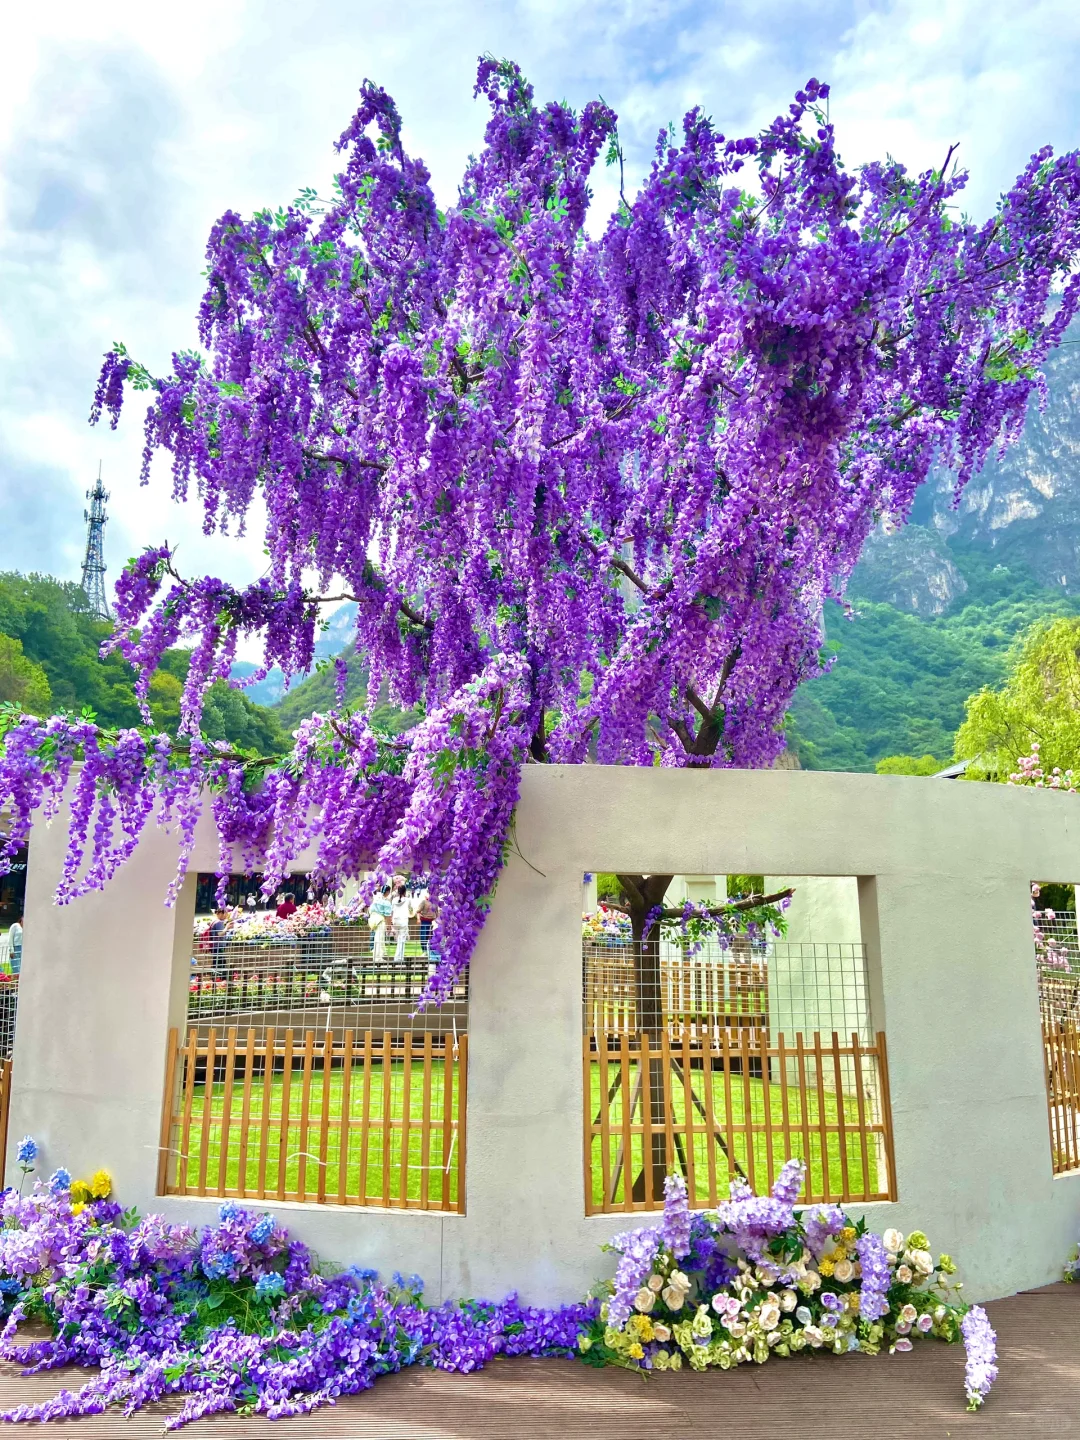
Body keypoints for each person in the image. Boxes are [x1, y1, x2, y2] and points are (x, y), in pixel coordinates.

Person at [391, 884, 415, 966]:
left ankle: (398, 957)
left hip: (395, 920)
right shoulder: (407, 900)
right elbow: (411, 909)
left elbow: (392, 911)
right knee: (402, 940)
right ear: (405, 891)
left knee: (398, 939)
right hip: (403, 921)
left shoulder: (394, 900)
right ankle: (398, 957)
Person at [368, 885, 392, 964]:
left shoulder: (376, 900)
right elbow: (388, 916)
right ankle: (378, 957)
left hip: (373, 920)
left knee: (377, 938)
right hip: (380, 921)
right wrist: (389, 926)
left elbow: (370, 910)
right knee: (379, 939)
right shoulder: (386, 902)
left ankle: (378, 956)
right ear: (388, 892)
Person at [207, 907, 230, 976]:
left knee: (216, 962)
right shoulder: (219, 922)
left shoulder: (214, 921)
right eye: (225, 913)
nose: (226, 915)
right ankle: (220, 978)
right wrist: (227, 927)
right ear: (220, 913)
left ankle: (215, 977)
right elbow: (220, 934)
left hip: (215, 945)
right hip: (218, 946)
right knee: (221, 963)